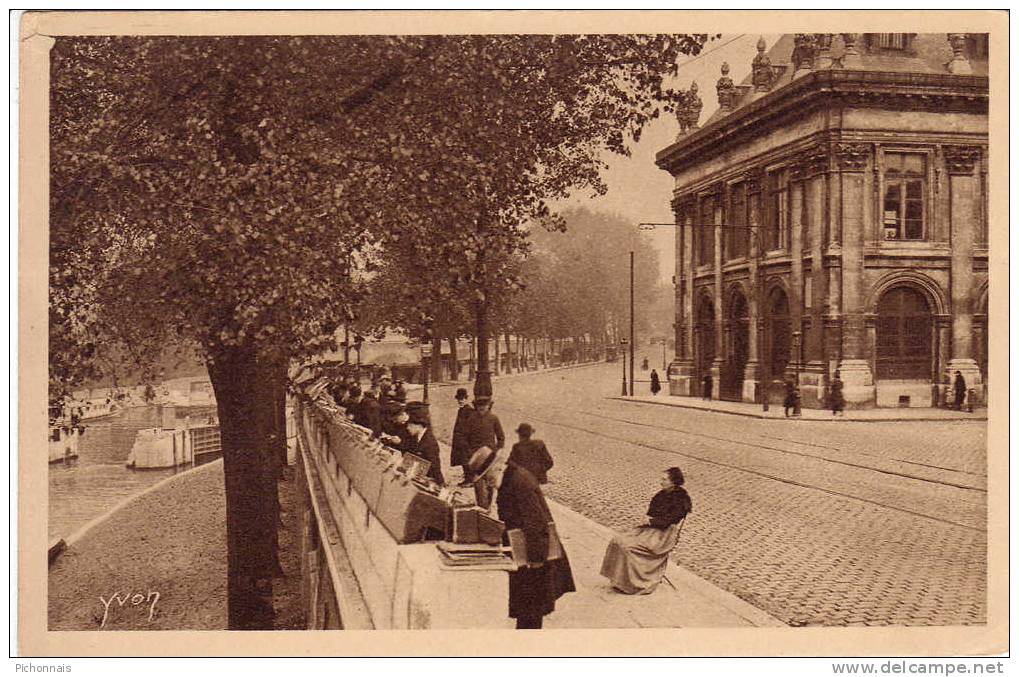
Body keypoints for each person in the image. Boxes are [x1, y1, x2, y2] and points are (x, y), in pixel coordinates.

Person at [467, 447, 575, 629]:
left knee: (531, 610)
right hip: (524, 553)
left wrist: (534, 563)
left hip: (535, 558)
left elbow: (537, 525)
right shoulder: (509, 479)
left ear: (497, 468)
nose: (487, 483)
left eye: (487, 477)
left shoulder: (519, 483)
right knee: (527, 609)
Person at [600, 467, 692, 595]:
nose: (661, 482)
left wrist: (650, 521)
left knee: (627, 546)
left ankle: (634, 584)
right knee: (617, 540)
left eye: (664, 479)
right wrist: (647, 520)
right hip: (652, 528)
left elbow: (669, 520)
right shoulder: (661, 494)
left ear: (674, 482)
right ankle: (620, 580)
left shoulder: (681, 499)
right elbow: (652, 512)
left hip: (664, 534)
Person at [404, 402, 444, 485]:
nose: (407, 428)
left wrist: (440, 484)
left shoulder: (429, 442)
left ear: (418, 425)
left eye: (410, 425)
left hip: (426, 480)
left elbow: (435, 467)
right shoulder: (416, 437)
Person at [450, 388, 477, 478]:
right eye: (458, 399)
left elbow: (471, 427)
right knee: (462, 459)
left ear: (466, 399)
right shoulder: (461, 410)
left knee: (466, 459)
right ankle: (467, 476)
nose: (460, 401)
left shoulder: (469, 411)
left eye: (462, 399)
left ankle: (470, 479)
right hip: (460, 440)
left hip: (466, 440)